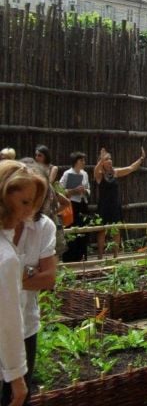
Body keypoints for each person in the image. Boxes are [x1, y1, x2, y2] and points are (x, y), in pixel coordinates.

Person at [0, 160, 48, 406]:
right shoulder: (6, 257)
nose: (28, 212)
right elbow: (8, 323)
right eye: (24, 202)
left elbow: (49, 277)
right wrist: (18, 378)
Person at [11, 163, 56, 405]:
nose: (31, 207)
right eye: (27, 200)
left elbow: (49, 278)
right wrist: (28, 272)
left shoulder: (43, 227)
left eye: (37, 200)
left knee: (20, 393)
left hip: (25, 324)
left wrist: (10, 277)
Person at [93, 147, 145, 258]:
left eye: (110, 159)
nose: (110, 161)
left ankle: (116, 255)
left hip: (115, 205)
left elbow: (131, 168)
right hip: (104, 206)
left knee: (116, 230)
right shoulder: (99, 175)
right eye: (107, 159)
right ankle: (100, 256)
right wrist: (101, 160)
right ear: (102, 162)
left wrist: (141, 159)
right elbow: (95, 170)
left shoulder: (115, 172)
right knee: (102, 230)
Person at [59, 152, 90, 262]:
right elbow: (60, 190)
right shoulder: (67, 174)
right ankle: (70, 258)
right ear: (76, 161)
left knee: (83, 230)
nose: (83, 163)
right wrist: (73, 191)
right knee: (71, 229)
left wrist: (84, 190)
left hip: (82, 204)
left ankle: (81, 256)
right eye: (81, 160)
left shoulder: (85, 174)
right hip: (71, 205)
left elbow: (89, 189)